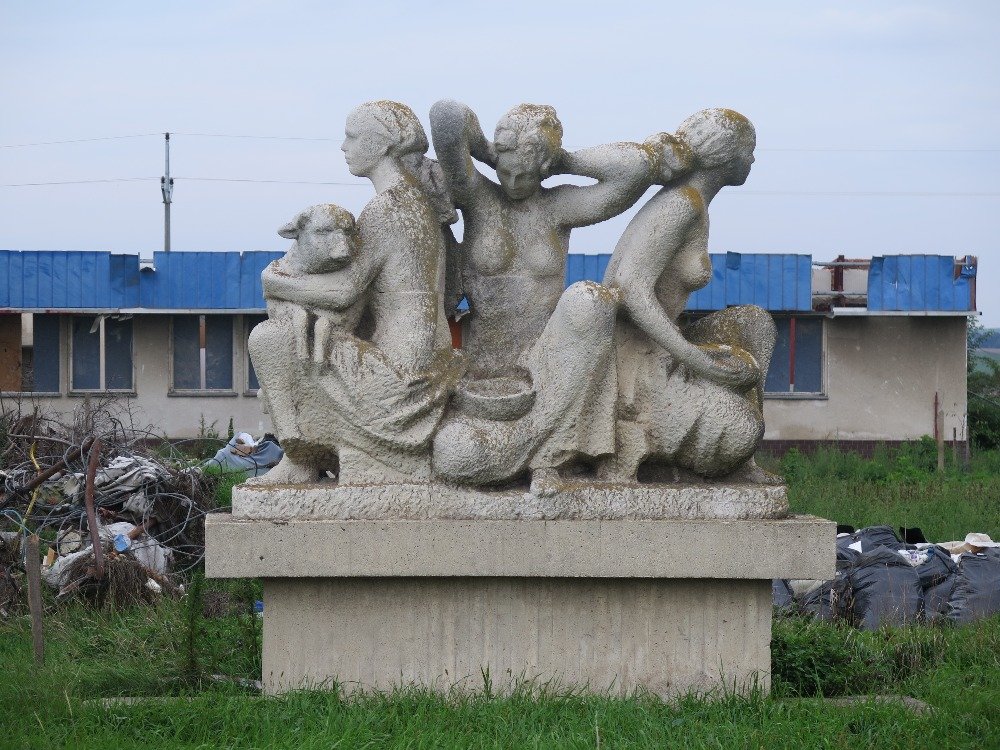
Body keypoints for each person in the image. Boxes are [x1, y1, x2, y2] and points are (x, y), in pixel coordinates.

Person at [250, 100, 462, 484]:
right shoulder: (419, 203)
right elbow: (451, 291)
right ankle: (305, 456)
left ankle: (300, 458)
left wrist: (272, 281)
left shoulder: (389, 207)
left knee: (269, 339)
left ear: (382, 144)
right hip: (428, 356)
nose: (343, 147)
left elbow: (344, 293)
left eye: (352, 136)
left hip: (401, 368)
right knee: (300, 334)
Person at [602, 109, 778, 482]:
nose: (752, 159)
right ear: (724, 155)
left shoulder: (695, 204)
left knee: (754, 324)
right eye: (748, 149)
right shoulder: (682, 204)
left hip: (668, 346)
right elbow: (629, 287)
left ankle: (744, 464)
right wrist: (695, 358)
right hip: (639, 358)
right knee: (741, 430)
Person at [429, 99, 662, 378]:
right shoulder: (479, 199)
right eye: (505, 172)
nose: (512, 183)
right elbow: (446, 117)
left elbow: (639, 167)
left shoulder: (558, 208)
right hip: (481, 364)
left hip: (543, 365)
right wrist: (488, 151)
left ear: (543, 170)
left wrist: (562, 160)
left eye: (525, 175)